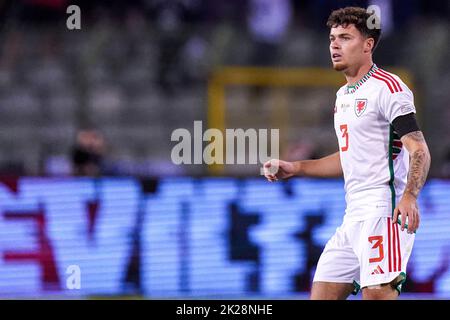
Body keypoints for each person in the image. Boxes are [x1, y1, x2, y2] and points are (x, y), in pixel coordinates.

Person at [263, 7, 431, 300]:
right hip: (352, 214)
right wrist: (296, 167)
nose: (335, 45)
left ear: (368, 45)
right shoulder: (343, 96)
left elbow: (419, 149)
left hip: (384, 211)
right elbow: (350, 157)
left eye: (345, 37)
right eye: (332, 38)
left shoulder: (389, 88)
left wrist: (410, 197)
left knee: (377, 297)